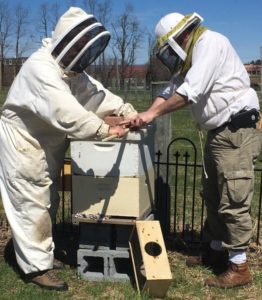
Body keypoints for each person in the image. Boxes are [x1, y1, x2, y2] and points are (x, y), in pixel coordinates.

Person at [122, 11, 262, 288]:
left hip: (235, 129)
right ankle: (216, 250)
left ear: (180, 36)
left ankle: (240, 266)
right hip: (220, 132)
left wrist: (152, 116)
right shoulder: (192, 56)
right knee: (212, 193)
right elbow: (173, 87)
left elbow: (190, 92)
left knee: (233, 196)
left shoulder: (210, 43)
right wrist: (146, 112)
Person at [0, 7, 136, 291]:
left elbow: (96, 96)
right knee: (32, 202)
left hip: (45, 143)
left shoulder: (70, 73)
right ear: (64, 41)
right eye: (75, 47)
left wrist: (125, 110)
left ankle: (38, 255)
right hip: (22, 143)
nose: (80, 54)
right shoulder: (41, 68)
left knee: (47, 200)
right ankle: (36, 268)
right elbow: (67, 112)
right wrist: (104, 130)